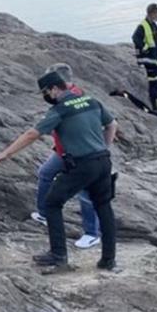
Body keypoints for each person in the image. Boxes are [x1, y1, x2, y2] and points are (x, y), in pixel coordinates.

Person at [0, 69, 118, 271]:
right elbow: (112, 125)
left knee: (52, 203)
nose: (45, 97)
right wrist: (104, 147)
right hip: (103, 161)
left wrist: (6, 153)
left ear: (55, 89)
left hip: (82, 164)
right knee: (103, 206)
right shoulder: (92, 101)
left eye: (45, 93)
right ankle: (108, 260)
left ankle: (58, 255)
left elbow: (33, 134)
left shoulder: (60, 109)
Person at [30, 63, 101, 249]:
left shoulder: (75, 98)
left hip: (78, 152)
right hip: (62, 150)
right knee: (45, 172)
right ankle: (44, 212)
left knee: (85, 191)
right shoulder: (69, 97)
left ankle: (92, 233)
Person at [131, 3, 157, 116]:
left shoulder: (153, 26)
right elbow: (136, 38)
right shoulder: (143, 26)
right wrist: (146, 49)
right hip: (150, 60)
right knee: (154, 83)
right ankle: (156, 108)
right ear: (152, 13)